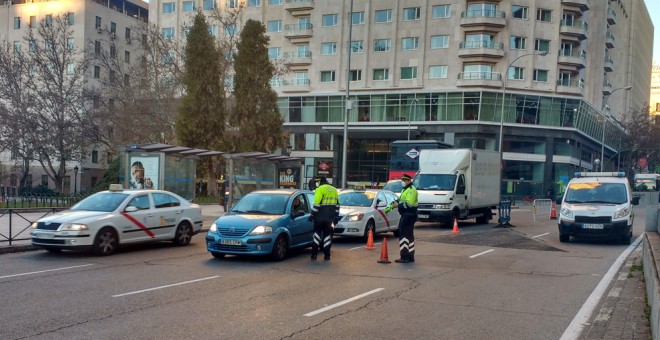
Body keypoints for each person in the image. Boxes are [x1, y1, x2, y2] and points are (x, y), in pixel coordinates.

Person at [385, 173, 418, 263]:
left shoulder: (411, 190)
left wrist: (397, 205)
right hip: (407, 215)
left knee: (403, 235)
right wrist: (391, 206)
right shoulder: (405, 189)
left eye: (404, 181)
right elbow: (400, 200)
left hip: (408, 215)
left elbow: (409, 204)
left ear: (408, 181)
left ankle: (404, 257)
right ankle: (410, 256)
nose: (403, 182)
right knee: (409, 236)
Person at [309, 176, 339, 261]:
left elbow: (316, 205)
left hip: (319, 218)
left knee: (316, 235)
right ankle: (327, 255)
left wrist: (312, 215)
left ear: (319, 182)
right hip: (330, 218)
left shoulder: (320, 189)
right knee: (327, 236)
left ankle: (314, 255)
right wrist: (336, 216)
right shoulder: (334, 189)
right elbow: (337, 205)